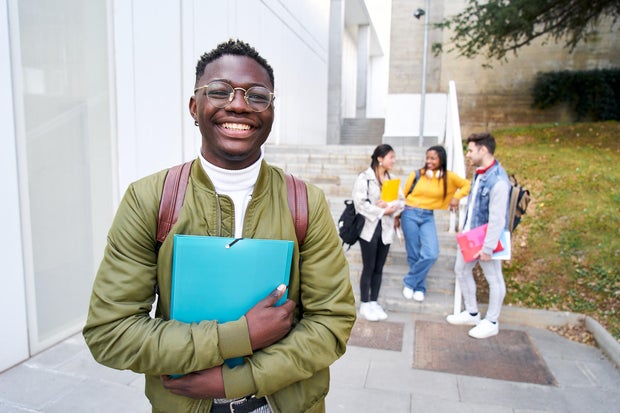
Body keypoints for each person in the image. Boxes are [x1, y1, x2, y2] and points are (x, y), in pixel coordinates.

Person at [83, 39, 356, 413]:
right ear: (195, 107)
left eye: (257, 96)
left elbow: (331, 323)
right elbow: (110, 333)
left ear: (272, 111)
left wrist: (235, 379)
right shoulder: (150, 199)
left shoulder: (305, 203)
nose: (239, 104)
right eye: (220, 91)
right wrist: (239, 336)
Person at [446, 132, 510, 339]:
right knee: (461, 271)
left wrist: (489, 248)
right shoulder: (480, 173)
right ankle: (472, 313)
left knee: (494, 278)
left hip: (485, 239)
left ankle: (491, 321)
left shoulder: (498, 180)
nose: (467, 154)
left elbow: (497, 219)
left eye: (471, 150)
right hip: (470, 236)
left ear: (484, 150)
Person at [400, 145, 471, 302]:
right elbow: (403, 195)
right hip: (409, 213)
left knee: (431, 253)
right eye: (427, 158)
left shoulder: (448, 177)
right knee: (414, 253)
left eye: (433, 158)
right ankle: (419, 287)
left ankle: (410, 281)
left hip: (427, 216)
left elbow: (467, 185)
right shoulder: (417, 174)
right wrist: (397, 217)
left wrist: (456, 197)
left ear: (441, 159)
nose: (429, 161)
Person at [352, 144, 405, 321]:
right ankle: (365, 303)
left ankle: (374, 301)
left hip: (386, 229)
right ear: (380, 158)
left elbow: (402, 202)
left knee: (379, 267)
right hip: (369, 229)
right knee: (369, 266)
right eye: (391, 157)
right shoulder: (365, 178)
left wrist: (392, 207)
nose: (393, 160)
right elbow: (360, 204)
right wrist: (381, 209)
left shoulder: (392, 179)